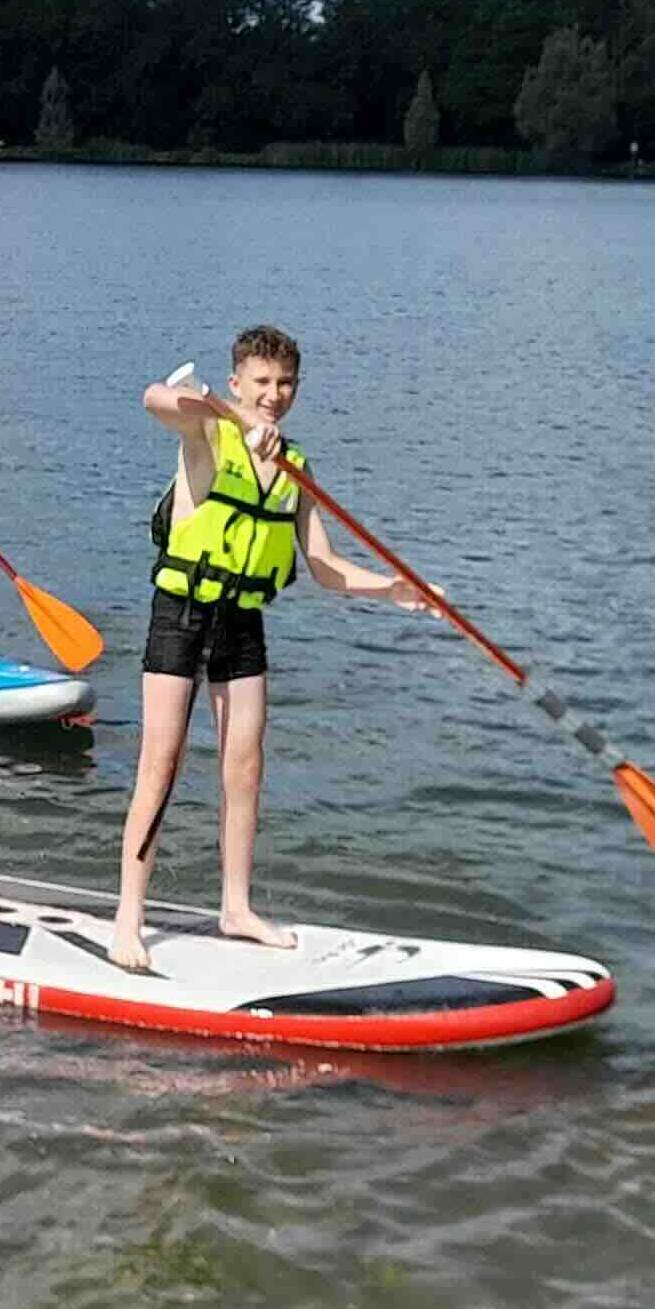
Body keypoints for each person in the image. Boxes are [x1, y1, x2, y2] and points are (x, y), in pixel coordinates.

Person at [109, 325, 429, 972]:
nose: (274, 395)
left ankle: (237, 907)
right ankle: (128, 918)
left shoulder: (294, 467)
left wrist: (390, 590)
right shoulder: (209, 434)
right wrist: (233, 415)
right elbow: (155, 399)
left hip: (242, 621)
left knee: (245, 768)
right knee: (161, 765)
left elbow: (325, 565)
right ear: (237, 383)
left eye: (284, 384)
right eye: (261, 383)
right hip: (183, 611)